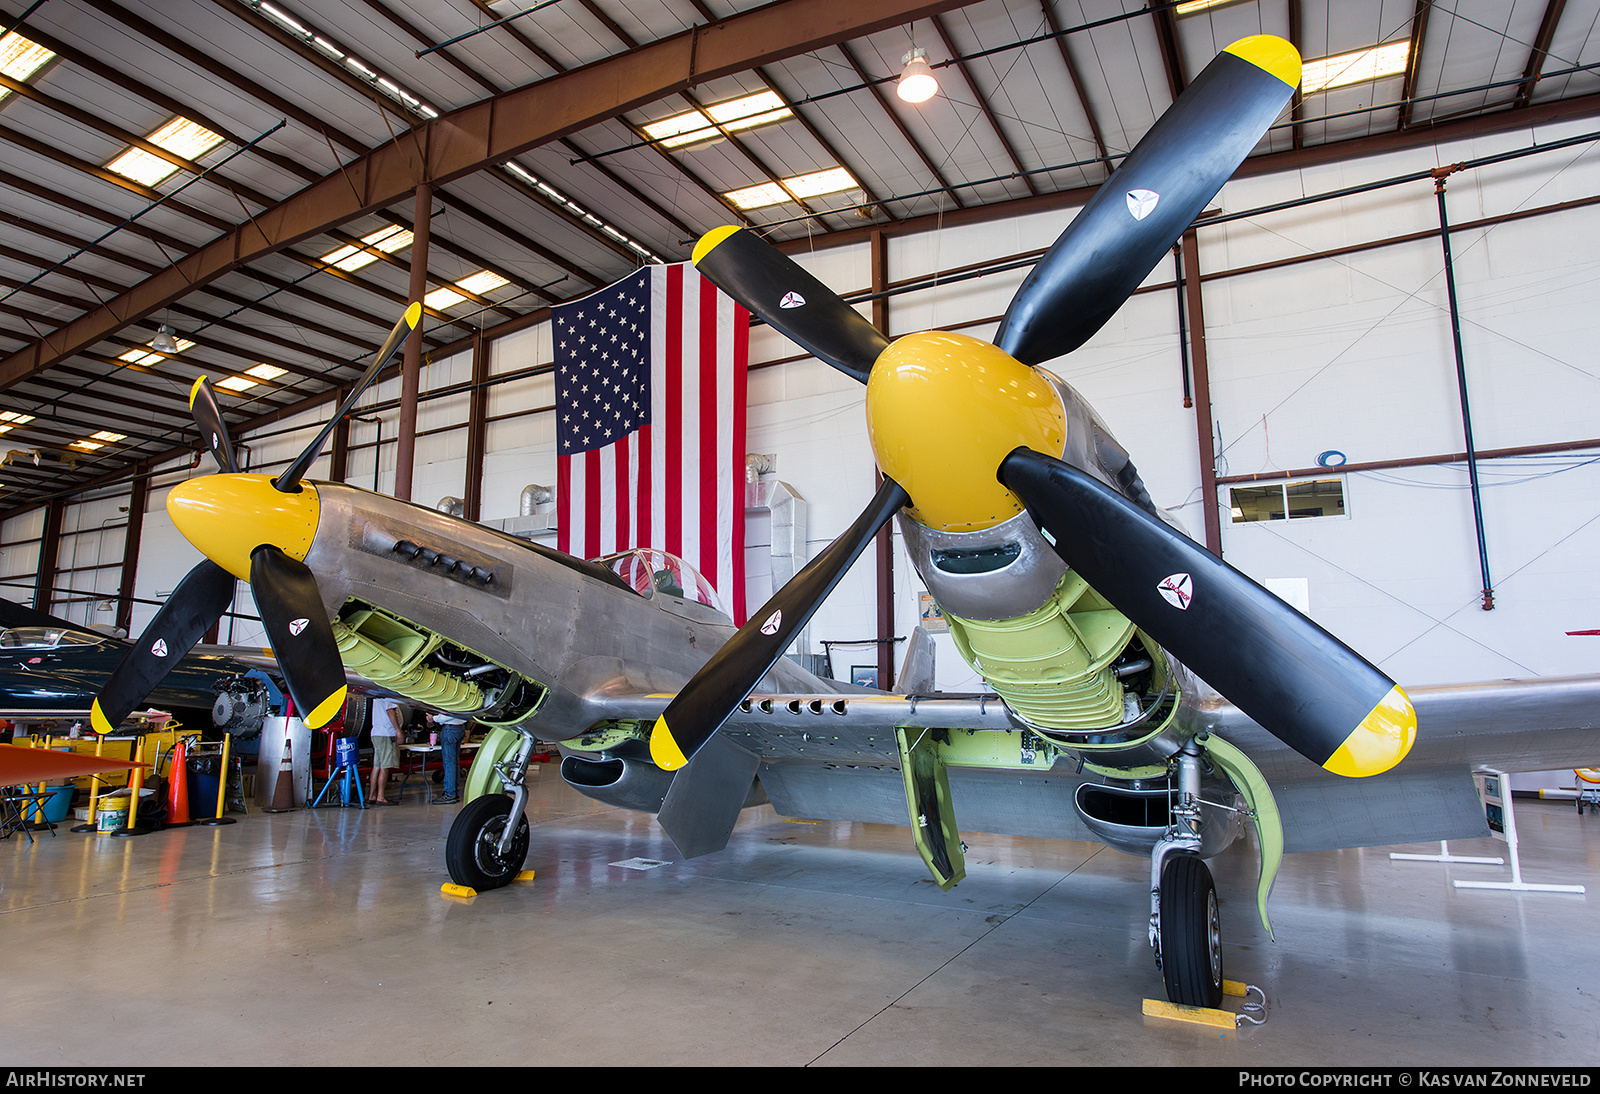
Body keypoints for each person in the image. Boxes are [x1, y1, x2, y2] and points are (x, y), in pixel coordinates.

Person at [367, 696, 405, 805]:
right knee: (385, 767)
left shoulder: (376, 696)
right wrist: (398, 731)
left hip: (376, 733)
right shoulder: (387, 696)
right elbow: (390, 711)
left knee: (376, 766)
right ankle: (381, 797)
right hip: (386, 734)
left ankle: (372, 796)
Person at [429, 712, 468, 804]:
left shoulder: (451, 699)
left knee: (449, 763)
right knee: (454, 762)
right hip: (460, 728)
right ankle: (453, 791)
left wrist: (433, 718)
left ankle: (450, 794)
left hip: (450, 728)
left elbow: (447, 714)